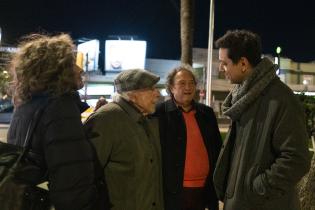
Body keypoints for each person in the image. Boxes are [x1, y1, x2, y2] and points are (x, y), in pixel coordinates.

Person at [213, 29, 311, 210]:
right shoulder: (242, 98)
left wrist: (257, 188)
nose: (221, 68)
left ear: (243, 63)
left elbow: (297, 159)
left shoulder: (281, 99)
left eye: (224, 63)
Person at [7, 34, 105, 210]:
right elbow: (71, 178)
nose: (80, 69)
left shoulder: (26, 104)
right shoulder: (59, 106)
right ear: (56, 69)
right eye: (71, 62)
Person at [84, 69, 164, 210]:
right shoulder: (106, 119)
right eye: (151, 89)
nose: (157, 94)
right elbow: (87, 175)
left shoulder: (146, 118)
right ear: (133, 95)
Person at [154, 65, 222, 210]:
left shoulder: (207, 114)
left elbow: (217, 149)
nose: (188, 87)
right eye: (182, 83)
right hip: (174, 192)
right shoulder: (159, 114)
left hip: (205, 190)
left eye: (191, 83)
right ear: (171, 88)